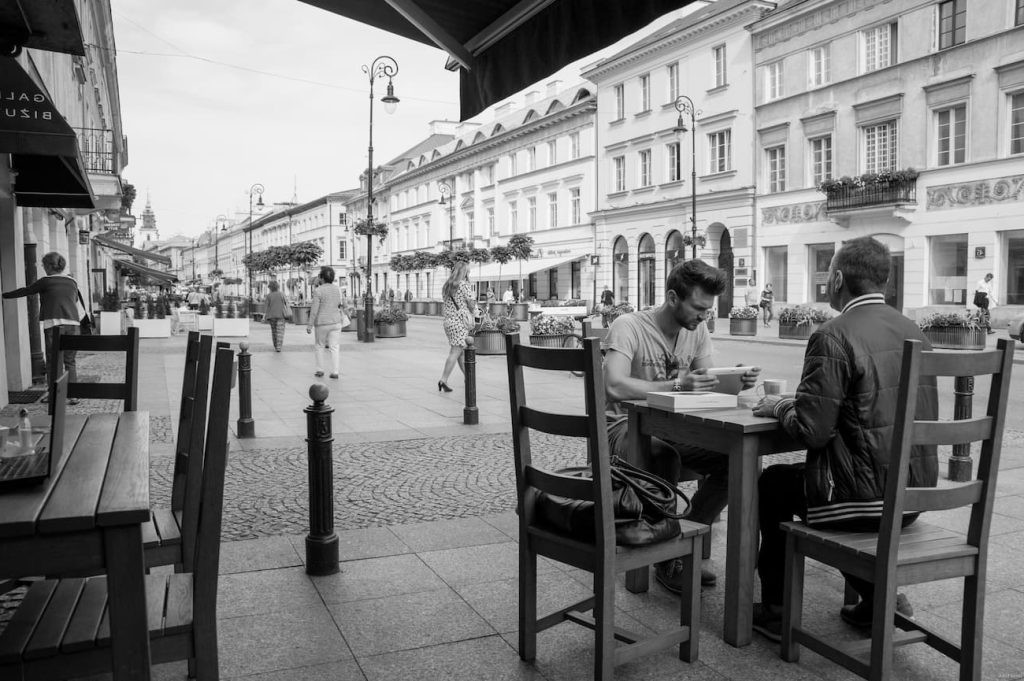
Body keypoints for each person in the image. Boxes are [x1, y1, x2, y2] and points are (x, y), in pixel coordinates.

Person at [749, 237, 938, 641]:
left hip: (863, 502)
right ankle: (876, 596)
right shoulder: (914, 330)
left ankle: (777, 607)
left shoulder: (833, 334)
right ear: (883, 282)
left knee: (774, 484)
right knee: (822, 485)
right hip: (912, 496)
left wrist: (780, 406)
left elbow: (814, 432)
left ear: (836, 279)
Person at [603, 260, 761, 590]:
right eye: (699, 308)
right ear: (673, 298)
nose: (705, 316)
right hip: (620, 429)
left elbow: (705, 383)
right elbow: (614, 386)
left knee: (740, 460)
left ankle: (685, 539)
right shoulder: (628, 326)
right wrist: (677, 386)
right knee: (662, 455)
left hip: (673, 429)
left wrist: (735, 382)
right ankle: (665, 558)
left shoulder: (697, 331)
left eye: (708, 309)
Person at [2, 251, 82, 403]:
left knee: (53, 361)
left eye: (43, 264)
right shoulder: (72, 282)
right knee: (70, 361)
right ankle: (73, 395)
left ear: (49, 266)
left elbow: (26, 291)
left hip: (54, 325)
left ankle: (54, 395)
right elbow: (74, 300)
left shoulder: (46, 281)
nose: (43, 267)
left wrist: (4, 295)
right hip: (73, 325)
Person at [438, 261, 477, 392]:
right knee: (455, 352)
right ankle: (443, 379)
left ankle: (468, 377)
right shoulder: (464, 285)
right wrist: (474, 308)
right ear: (464, 272)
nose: (469, 273)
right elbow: (471, 304)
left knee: (460, 352)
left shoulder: (447, 286)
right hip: (459, 322)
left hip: (448, 322)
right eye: (468, 271)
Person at [306, 266, 344, 379]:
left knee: (319, 345)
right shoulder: (338, 289)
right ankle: (335, 372)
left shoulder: (318, 291)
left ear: (321, 278)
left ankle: (320, 370)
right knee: (335, 347)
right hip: (336, 322)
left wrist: (309, 325)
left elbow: (314, 310)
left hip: (322, 322)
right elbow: (342, 304)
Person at [263, 281, 290, 352]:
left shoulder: (269, 296)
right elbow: (286, 303)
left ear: (271, 288)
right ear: (278, 287)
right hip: (281, 316)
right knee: (280, 332)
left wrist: (264, 317)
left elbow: (266, 307)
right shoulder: (282, 294)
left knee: (274, 332)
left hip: (271, 316)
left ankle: (275, 345)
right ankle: (279, 347)